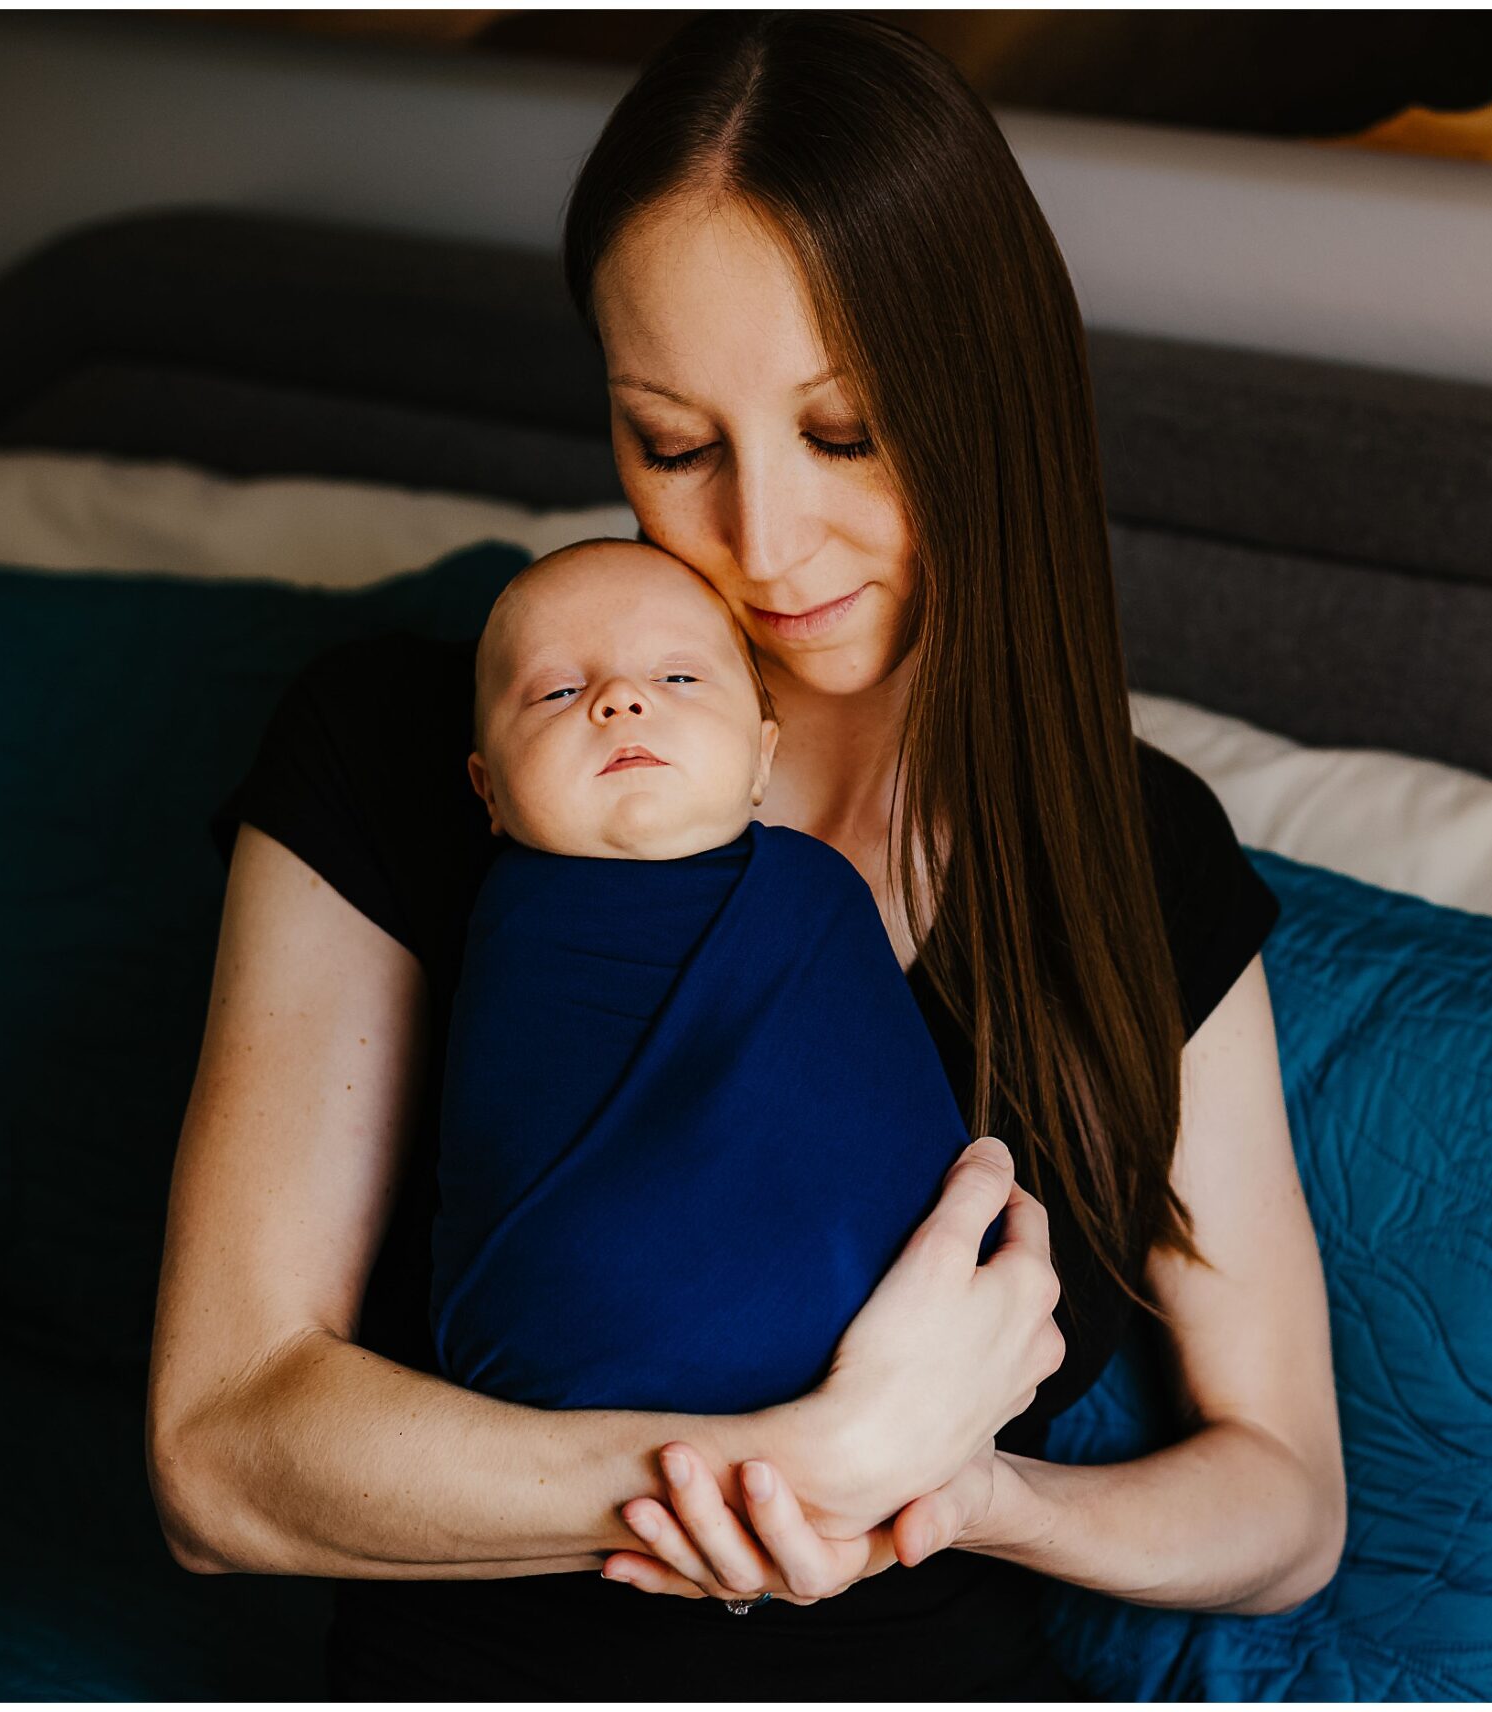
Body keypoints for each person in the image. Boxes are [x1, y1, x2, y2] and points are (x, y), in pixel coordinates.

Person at [149, 11, 1344, 1701]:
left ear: (987, 402)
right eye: (676, 442)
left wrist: (967, 1489)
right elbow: (218, 1458)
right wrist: (809, 1458)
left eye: (845, 430)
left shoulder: (1134, 855)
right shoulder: (422, 754)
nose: (763, 544)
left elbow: (1287, 1505)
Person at [432, 538, 989, 1420]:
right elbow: (493, 1152)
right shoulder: (502, 926)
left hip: (872, 1372)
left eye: (680, 680)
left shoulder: (815, 899)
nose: (621, 700)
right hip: (566, 1365)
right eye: (557, 692)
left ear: (763, 756)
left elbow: (886, 1129)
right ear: (487, 789)